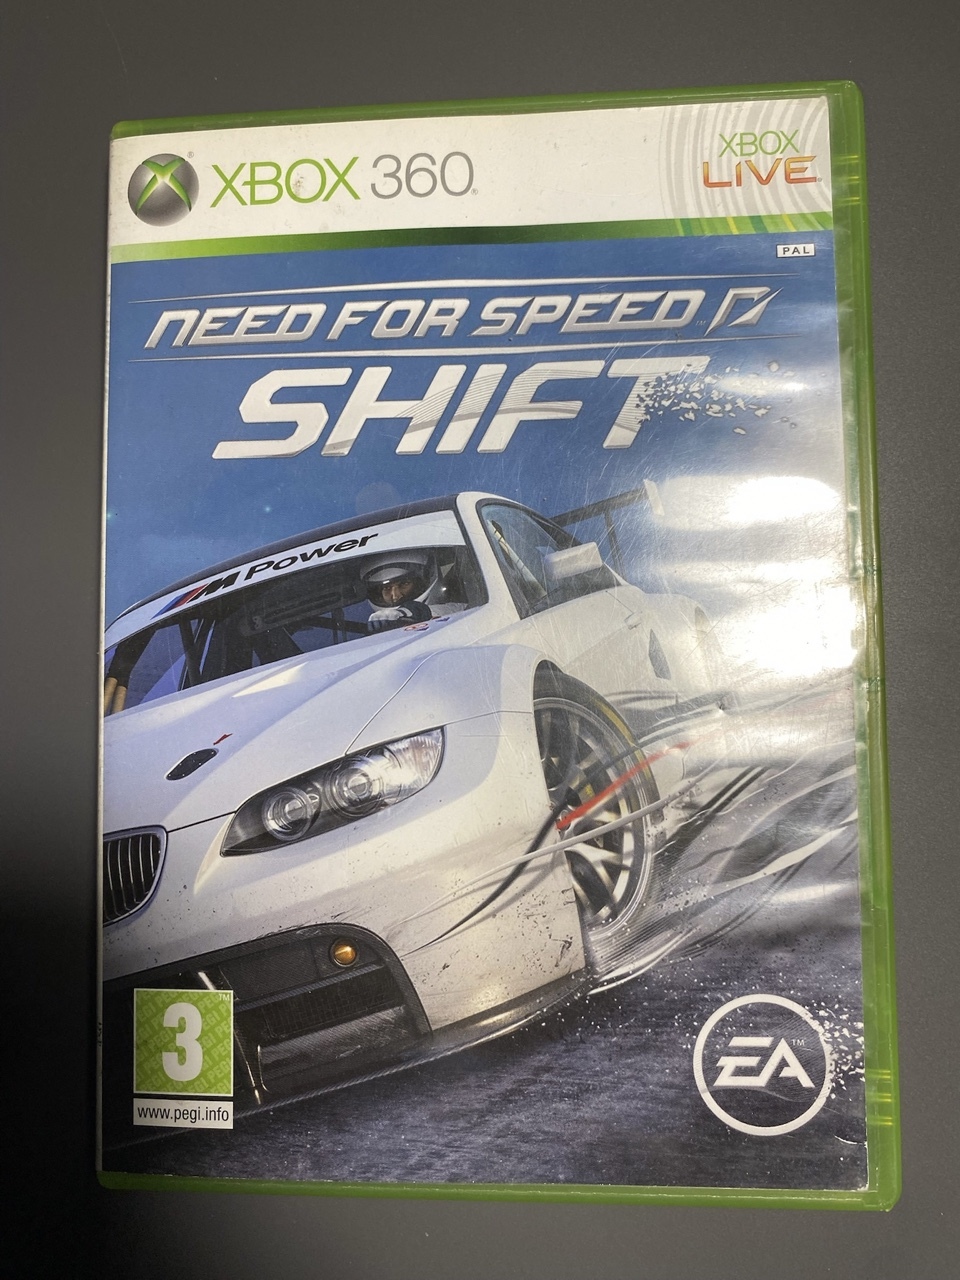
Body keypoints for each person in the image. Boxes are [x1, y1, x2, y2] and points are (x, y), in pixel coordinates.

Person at [362, 552, 433, 631]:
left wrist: (405, 612)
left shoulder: (442, 613)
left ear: (421, 582)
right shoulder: (371, 633)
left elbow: (431, 610)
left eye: (404, 584)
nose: (395, 596)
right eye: (387, 588)